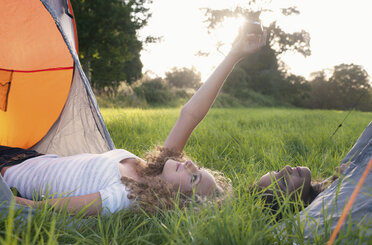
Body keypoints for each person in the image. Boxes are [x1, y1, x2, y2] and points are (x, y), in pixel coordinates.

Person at [0, 24, 267, 216]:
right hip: (26, 156)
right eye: (198, 167)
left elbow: (47, 209)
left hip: (6, 172)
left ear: (179, 201)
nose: (190, 164)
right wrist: (234, 54)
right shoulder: (150, 169)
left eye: (194, 178)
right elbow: (191, 115)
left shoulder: (126, 198)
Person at [254, 163, 349, 214]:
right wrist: (347, 179)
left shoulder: (325, 186)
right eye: (284, 181)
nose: (287, 167)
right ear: (293, 206)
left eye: (278, 171)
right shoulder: (334, 203)